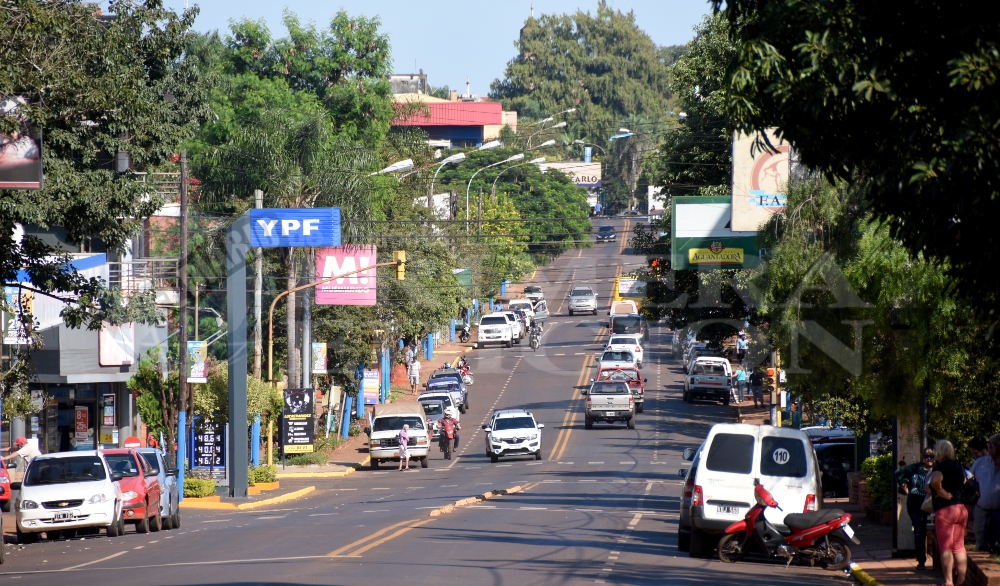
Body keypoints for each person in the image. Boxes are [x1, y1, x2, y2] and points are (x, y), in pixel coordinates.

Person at [928, 439, 969, 586]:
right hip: (961, 508)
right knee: (959, 546)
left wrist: (941, 491)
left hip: (945, 509)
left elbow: (934, 480)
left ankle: (948, 581)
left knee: (945, 547)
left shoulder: (940, 467)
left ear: (939, 451)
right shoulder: (958, 466)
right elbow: (965, 481)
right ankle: (961, 580)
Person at [895, 447, 936, 569]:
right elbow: (899, 473)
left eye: (932, 456)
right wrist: (903, 484)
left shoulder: (938, 469)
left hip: (933, 506)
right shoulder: (916, 468)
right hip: (915, 505)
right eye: (926, 456)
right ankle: (921, 561)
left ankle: (938, 561)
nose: (929, 459)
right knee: (919, 532)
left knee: (937, 533)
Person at [970, 434, 1000, 553]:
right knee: (981, 546)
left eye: (993, 445)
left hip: (999, 513)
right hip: (981, 512)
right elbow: (969, 484)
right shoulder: (979, 463)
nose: (989, 447)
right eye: (989, 445)